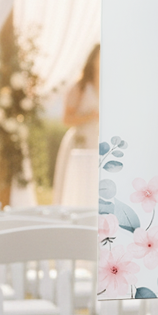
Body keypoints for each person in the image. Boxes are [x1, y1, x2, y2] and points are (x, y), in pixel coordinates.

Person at [53, 44, 100, 206]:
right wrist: (90, 116)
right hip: (80, 142)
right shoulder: (80, 87)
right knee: (77, 183)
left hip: (98, 141)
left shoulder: (109, 86)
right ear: (93, 59)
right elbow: (66, 119)